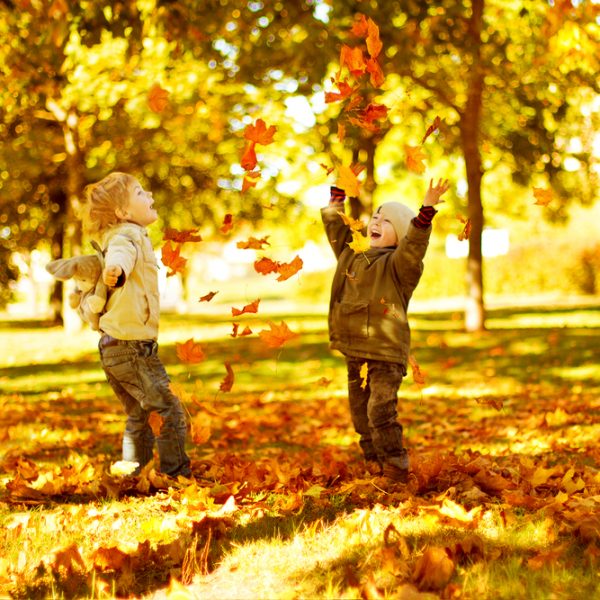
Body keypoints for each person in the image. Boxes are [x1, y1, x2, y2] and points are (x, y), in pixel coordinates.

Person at [321, 178, 449, 486]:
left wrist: (427, 209)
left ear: (400, 235)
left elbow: (415, 245)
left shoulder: (399, 266)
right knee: (360, 416)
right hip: (356, 352)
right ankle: (373, 462)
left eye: (386, 221)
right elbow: (336, 230)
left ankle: (395, 466)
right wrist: (338, 193)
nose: (376, 222)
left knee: (380, 409)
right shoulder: (352, 253)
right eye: (375, 217)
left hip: (385, 353)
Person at [82, 171, 191, 478]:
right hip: (131, 348)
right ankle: (176, 476)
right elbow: (121, 256)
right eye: (141, 193)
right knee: (170, 410)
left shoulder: (131, 234)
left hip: (116, 345)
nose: (151, 196)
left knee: (139, 415)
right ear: (123, 212)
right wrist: (116, 269)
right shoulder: (125, 236)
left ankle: (134, 475)